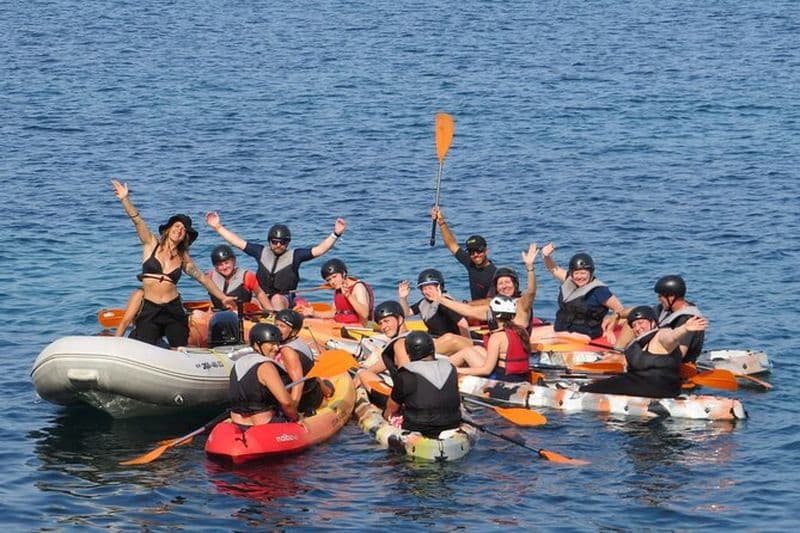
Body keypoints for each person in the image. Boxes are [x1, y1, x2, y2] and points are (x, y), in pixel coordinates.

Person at [111, 179, 235, 348]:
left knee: (179, 346)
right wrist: (125, 199)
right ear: (169, 229)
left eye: (183, 230)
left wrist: (223, 297)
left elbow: (204, 280)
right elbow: (138, 221)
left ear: (185, 237)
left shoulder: (183, 259)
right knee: (145, 346)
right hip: (150, 308)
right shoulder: (151, 244)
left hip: (173, 308)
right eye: (177, 226)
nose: (179, 230)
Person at [205, 212, 346, 311]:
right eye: (275, 241)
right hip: (262, 296)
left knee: (277, 299)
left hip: (284, 298)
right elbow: (237, 242)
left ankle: (277, 326)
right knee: (249, 302)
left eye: (283, 242)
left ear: (287, 242)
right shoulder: (260, 252)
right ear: (269, 241)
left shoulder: (295, 255)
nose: (278, 245)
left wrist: (336, 234)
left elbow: (320, 250)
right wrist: (217, 227)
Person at [578, 306, 709, 398]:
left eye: (641, 323)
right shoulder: (637, 343)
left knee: (586, 389)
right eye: (634, 325)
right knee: (607, 382)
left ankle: (582, 390)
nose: (638, 328)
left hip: (654, 388)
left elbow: (672, 337)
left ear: (652, 322)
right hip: (647, 386)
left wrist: (685, 328)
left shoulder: (661, 335)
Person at [433, 243, 539, 331]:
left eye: (507, 282)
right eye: (500, 283)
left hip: (516, 352)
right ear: (496, 288)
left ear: (515, 285)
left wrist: (530, 267)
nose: (504, 286)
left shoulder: (522, 305)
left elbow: (531, 292)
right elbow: (468, 310)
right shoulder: (494, 308)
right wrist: (440, 299)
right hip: (497, 349)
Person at [538, 244, 624, 343]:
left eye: (583, 273)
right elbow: (553, 268)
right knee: (529, 335)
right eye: (576, 273)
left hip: (585, 334)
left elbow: (619, 309)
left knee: (545, 340)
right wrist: (546, 256)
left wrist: (610, 329)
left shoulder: (599, 290)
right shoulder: (569, 280)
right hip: (562, 330)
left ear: (590, 273)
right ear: (572, 273)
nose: (579, 277)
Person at [384, 331, 462, 438]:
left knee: (390, 414)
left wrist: (385, 417)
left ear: (409, 352)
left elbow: (392, 407)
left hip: (418, 428)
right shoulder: (450, 368)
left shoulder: (405, 374)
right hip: (452, 424)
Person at [613, 275, 705, 362]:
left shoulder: (687, 319)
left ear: (671, 297)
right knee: (634, 320)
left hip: (671, 364)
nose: (658, 299)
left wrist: (642, 357)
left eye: (660, 296)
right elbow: (640, 311)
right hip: (652, 350)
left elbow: (680, 354)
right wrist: (618, 315)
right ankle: (616, 352)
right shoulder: (665, 309)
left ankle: (619, 358)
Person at [448, 295, 531, 381]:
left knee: (467, 352)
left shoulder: (497, 337)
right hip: (521, 376)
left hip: (503, 378)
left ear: (493, 315)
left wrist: (456, 370)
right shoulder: (521, 330)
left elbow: (486, 370)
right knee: (477, 349)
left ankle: (442, 369)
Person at [229, 324, 298, 425]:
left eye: (277, 343)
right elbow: (286, 403)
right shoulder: (266, 366)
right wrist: (296, 417)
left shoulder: (238, 362)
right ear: (257, 345)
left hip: (238, 423)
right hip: (264, 424)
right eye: (271, 344)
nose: (276, 348)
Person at [431, 206, 497, 300]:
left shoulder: (494, 274)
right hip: (472, 309)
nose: (475, 255)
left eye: (479, 251)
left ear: (486, 251)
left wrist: (469, 307)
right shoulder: (470, 263)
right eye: (471, 252)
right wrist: (441, 221)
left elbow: (490, 302)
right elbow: (451, 245)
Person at [273, 309, 331, 415]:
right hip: (314, 392)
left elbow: (298, 383)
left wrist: (292, 412)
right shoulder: (299, 341)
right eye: (276, 325)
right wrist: (326, 390)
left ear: (294, 331)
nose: (277, 329)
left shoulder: (287, 351)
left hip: (304, 401)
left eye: (282, 326)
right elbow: (312, 372)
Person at [354, 301, 411, 392]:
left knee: (362, 374)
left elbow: (406, 377)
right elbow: (380, 365)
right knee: (363, 373)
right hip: (415, 390)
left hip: (406, 395)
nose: (383, 327)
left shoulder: (401, 343)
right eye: (380, 323)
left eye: (386, 321)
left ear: (400, 319)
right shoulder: (411, 336)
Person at [297, 258, 374, 326]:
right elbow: (334, 313)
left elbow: (364, 313)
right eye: (329, 280)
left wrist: (349, 296)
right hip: (339, 324)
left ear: (343, 273)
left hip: (356, 328)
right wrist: (313, 313)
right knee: (304, 322)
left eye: (334, 277)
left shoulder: (358, 287)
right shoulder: (338, 289)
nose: (332, 282)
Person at [398, 268, 470, 339]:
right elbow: (407, 313)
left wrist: (467, 343)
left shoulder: (446, 303)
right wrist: (403, 298)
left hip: (452, 340)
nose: (427, 292)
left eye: (430, 288)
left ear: (439, 287)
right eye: (424, 289)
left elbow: (463, 323)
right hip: (435, 337)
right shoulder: (423, 303)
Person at [207, 244, 271, 310]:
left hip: (242, 315)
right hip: (219, 314)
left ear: (234, 261)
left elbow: (260, 293)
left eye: (227, 263)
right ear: (215, 266)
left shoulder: (247, 276)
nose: (224, 267)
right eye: (220, 265)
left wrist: (270, 311)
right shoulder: (211, 277)